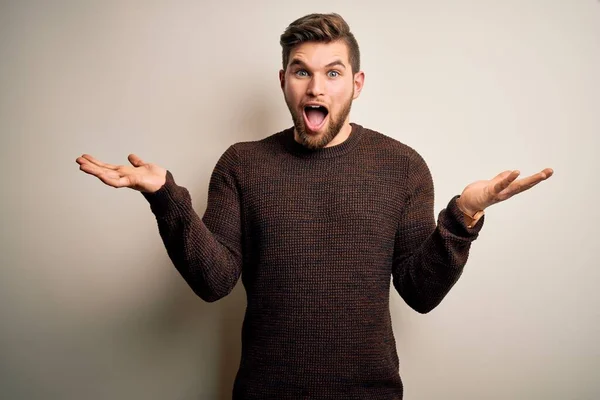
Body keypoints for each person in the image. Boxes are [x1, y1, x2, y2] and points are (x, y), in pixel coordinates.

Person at [76, 12, 553, 400]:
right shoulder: (242, 164)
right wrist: (165, 198)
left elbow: (419, 293)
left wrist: (461, 219)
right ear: (284, 80)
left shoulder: (402, 166)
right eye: (302, 71)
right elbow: (214, 281)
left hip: (371, 394)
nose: (316, 88)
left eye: (333, 73)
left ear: (357, 83)